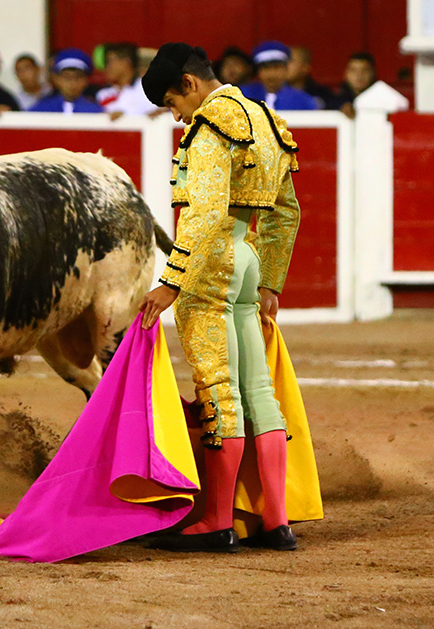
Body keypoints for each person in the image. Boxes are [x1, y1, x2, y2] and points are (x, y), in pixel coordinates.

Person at [139, 43, 302, 553]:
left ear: (189, 84)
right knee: (258, 392)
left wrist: (172, 279)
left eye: (172, 103)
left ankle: (216, 519)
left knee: (218, 392)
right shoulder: (268, 120)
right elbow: (286, 212)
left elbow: (205, 216)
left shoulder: (210, 128)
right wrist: (270, 280)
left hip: (210, 266)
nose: (176, 115)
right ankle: (276, 520)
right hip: (248, 260)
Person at [239, 41, 317, 111]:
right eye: (266, 68)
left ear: (286, 69)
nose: (271, 74)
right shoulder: (242, 96)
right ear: (258, 71)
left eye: (276, 67)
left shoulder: (304, 101)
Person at [31, 48, 104, 114]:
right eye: (67, 77)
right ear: (56, 79)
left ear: (86, 81)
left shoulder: (95, 110)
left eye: (78, 77)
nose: (72, 83)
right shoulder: (41, 108)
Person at [95, 42, 158, 117]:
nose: (107, 67)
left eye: (109, 62)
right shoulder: (103, 94)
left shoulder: (149, 89)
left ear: (126, 62)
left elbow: (159, 114)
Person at [286, 46, 335, 110]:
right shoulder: (273, 93)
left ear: (305, 68)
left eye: (291, 61)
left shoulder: (322, 94)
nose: (285, 65)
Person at [332, 52, 378, 118]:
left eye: (364, 70)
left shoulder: (383, 99)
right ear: (346, 74)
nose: (359, 75)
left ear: (373, 73)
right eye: (353, 70)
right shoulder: (336, 100)